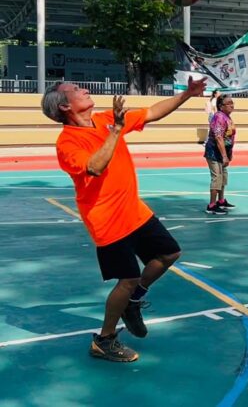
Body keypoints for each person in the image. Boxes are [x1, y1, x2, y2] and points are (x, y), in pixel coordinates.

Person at [40, 76, 206, 362]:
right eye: (78, 89)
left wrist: (188, 94)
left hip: (134, 210)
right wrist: (116, 130)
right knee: (127, 278)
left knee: (169, 253)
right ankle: (104, 340)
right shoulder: (67, 143)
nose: (86, 87)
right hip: (107, 220)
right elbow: (94, 167)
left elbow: (153, 112)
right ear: (66, 105)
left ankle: (132, 302)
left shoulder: (106, 119)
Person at [204, 94, 236, 214]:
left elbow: (230, 137)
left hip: (223, 151)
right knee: (217, 177)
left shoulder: (227, 117)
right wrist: (224, 155)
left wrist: (229, 153)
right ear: (221, 106)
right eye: (228, 103)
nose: (231, 105)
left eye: (232, 102)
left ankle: (221, 201)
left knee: (223, 176)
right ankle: (211, 205)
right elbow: (218, 137)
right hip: (214, 152)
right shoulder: (219, 117)